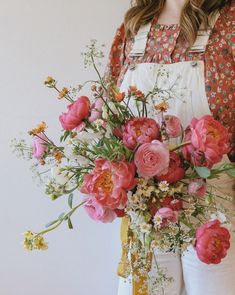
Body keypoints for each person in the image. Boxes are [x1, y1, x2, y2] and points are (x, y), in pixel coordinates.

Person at [105, 0, 235, 294]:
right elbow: (109, 117)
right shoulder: (134, 27)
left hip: (214, 208)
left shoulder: (230, 21)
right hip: (146, 209)